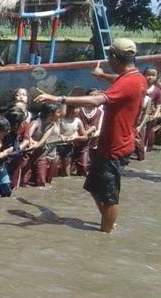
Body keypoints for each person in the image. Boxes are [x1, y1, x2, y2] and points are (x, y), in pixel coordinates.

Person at [36, 38, 147, 233]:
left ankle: (106, 232)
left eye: (109, 57)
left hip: (115, 146)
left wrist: (58, 98)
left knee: (109, 194)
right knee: (94, 187)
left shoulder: (128, 82)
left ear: (114, 57)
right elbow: (119, 82)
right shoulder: (137, 78)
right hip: (115, 142)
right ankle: (108, 222)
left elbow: (96, 101)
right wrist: (103, 75)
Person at [21, 102, 60, 187]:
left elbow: (44, 139)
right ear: (50, 114)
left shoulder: (51, 125)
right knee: (24, 180)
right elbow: (28, 136)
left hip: (41, 153)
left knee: (41, 181)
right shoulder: (36, 122)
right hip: (29, 153)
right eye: (58, 112)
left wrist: (37, 144)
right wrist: (32, 142)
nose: (59, 114)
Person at [57, 105, 85, 177]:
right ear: (68, 108)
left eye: (78, 108)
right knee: (55, 169)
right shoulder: (60, 119)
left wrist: (76, 137)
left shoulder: (78, 121)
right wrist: (60, 135)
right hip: (56, 146)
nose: (77, 110)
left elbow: (85, 137)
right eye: (75, 108)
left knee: (66, 172)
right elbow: (52, 131)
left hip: (68, 146)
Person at [0, 117, 15, 197]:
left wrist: (2, 152)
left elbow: (15, 147)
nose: (4, 137)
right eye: (3, 134)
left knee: (7, 192)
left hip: (1, 166)